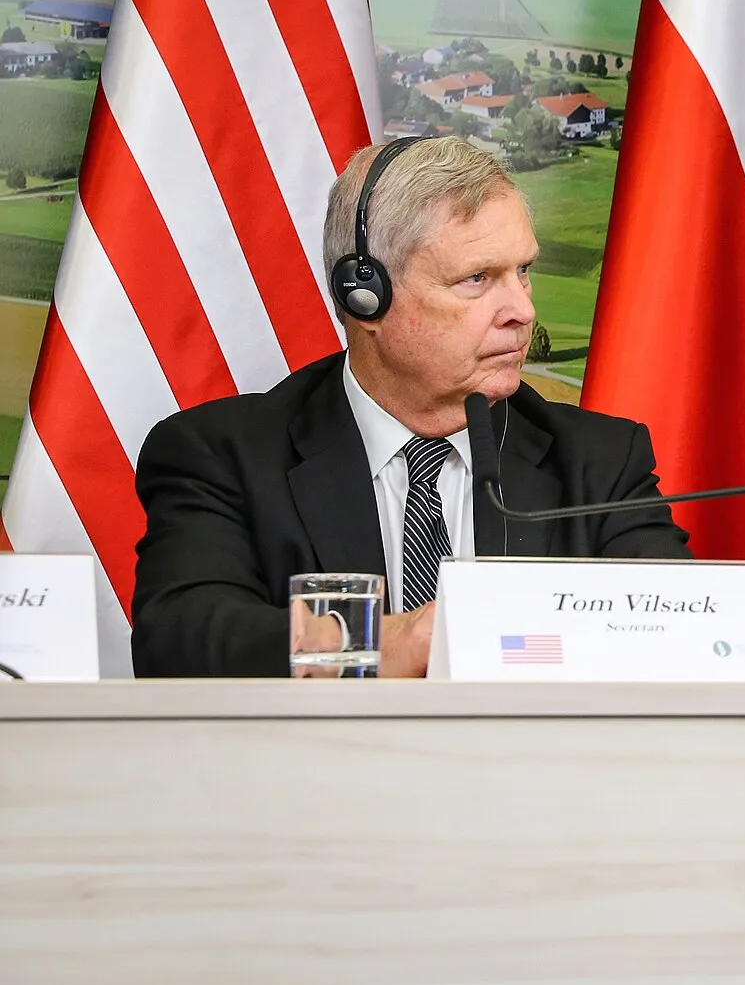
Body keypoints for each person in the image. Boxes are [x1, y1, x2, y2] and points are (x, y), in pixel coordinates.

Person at [129, 136, 690, 678]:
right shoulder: (222, 455)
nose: (521, 310)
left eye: (523, 271)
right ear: (365, 296)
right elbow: (179, 638)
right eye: (477, 279)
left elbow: (678, 643)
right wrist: (376, 643)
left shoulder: (600, 462)